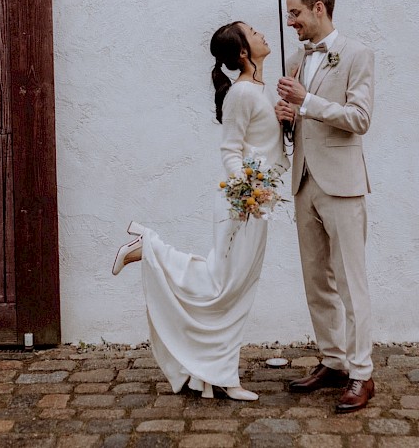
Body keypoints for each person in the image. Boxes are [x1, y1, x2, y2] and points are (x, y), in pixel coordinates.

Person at [111, 21, 287, 402]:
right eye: (254, 32)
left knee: (231, 287)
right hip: (247, 205)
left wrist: (287, 121)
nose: (262, 34)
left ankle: (209, 374)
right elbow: (230, 150)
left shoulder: (259, 89)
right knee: (224, 287)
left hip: (261, 201)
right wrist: (247, 195)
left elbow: (266, 141)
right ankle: (151, 249)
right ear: (243, 52)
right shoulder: (242, 92)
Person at [274, 0, 376, 413]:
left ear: (320, 8)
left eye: (295, 12)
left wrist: (306, 101)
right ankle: (333, 361)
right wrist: (286, 117)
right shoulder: (297, 59)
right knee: (316, 279)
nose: (290, 21)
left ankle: (361, 373)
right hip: (304, 181)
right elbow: (301, 124)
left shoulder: (357, 53)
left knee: (351, 282)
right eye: (288, 13)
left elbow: (360, 118)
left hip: (342, 183)